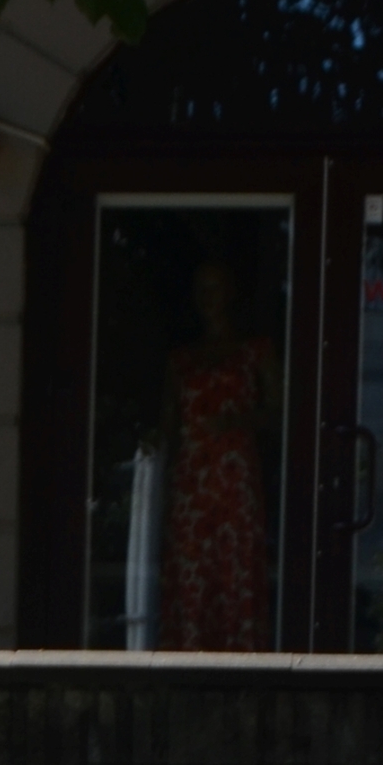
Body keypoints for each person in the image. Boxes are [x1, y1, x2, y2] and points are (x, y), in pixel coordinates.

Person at [156, 256, 283, 650]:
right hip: (193, 486)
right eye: (200, 290)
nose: (207, 298)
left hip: (234, 483)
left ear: (231, 293)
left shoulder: (256, 351)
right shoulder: (181, 360)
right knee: (193, 574)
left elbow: (279, 414)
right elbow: (166, 429)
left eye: (215, 288)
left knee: (236, 573)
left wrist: (237, 421)